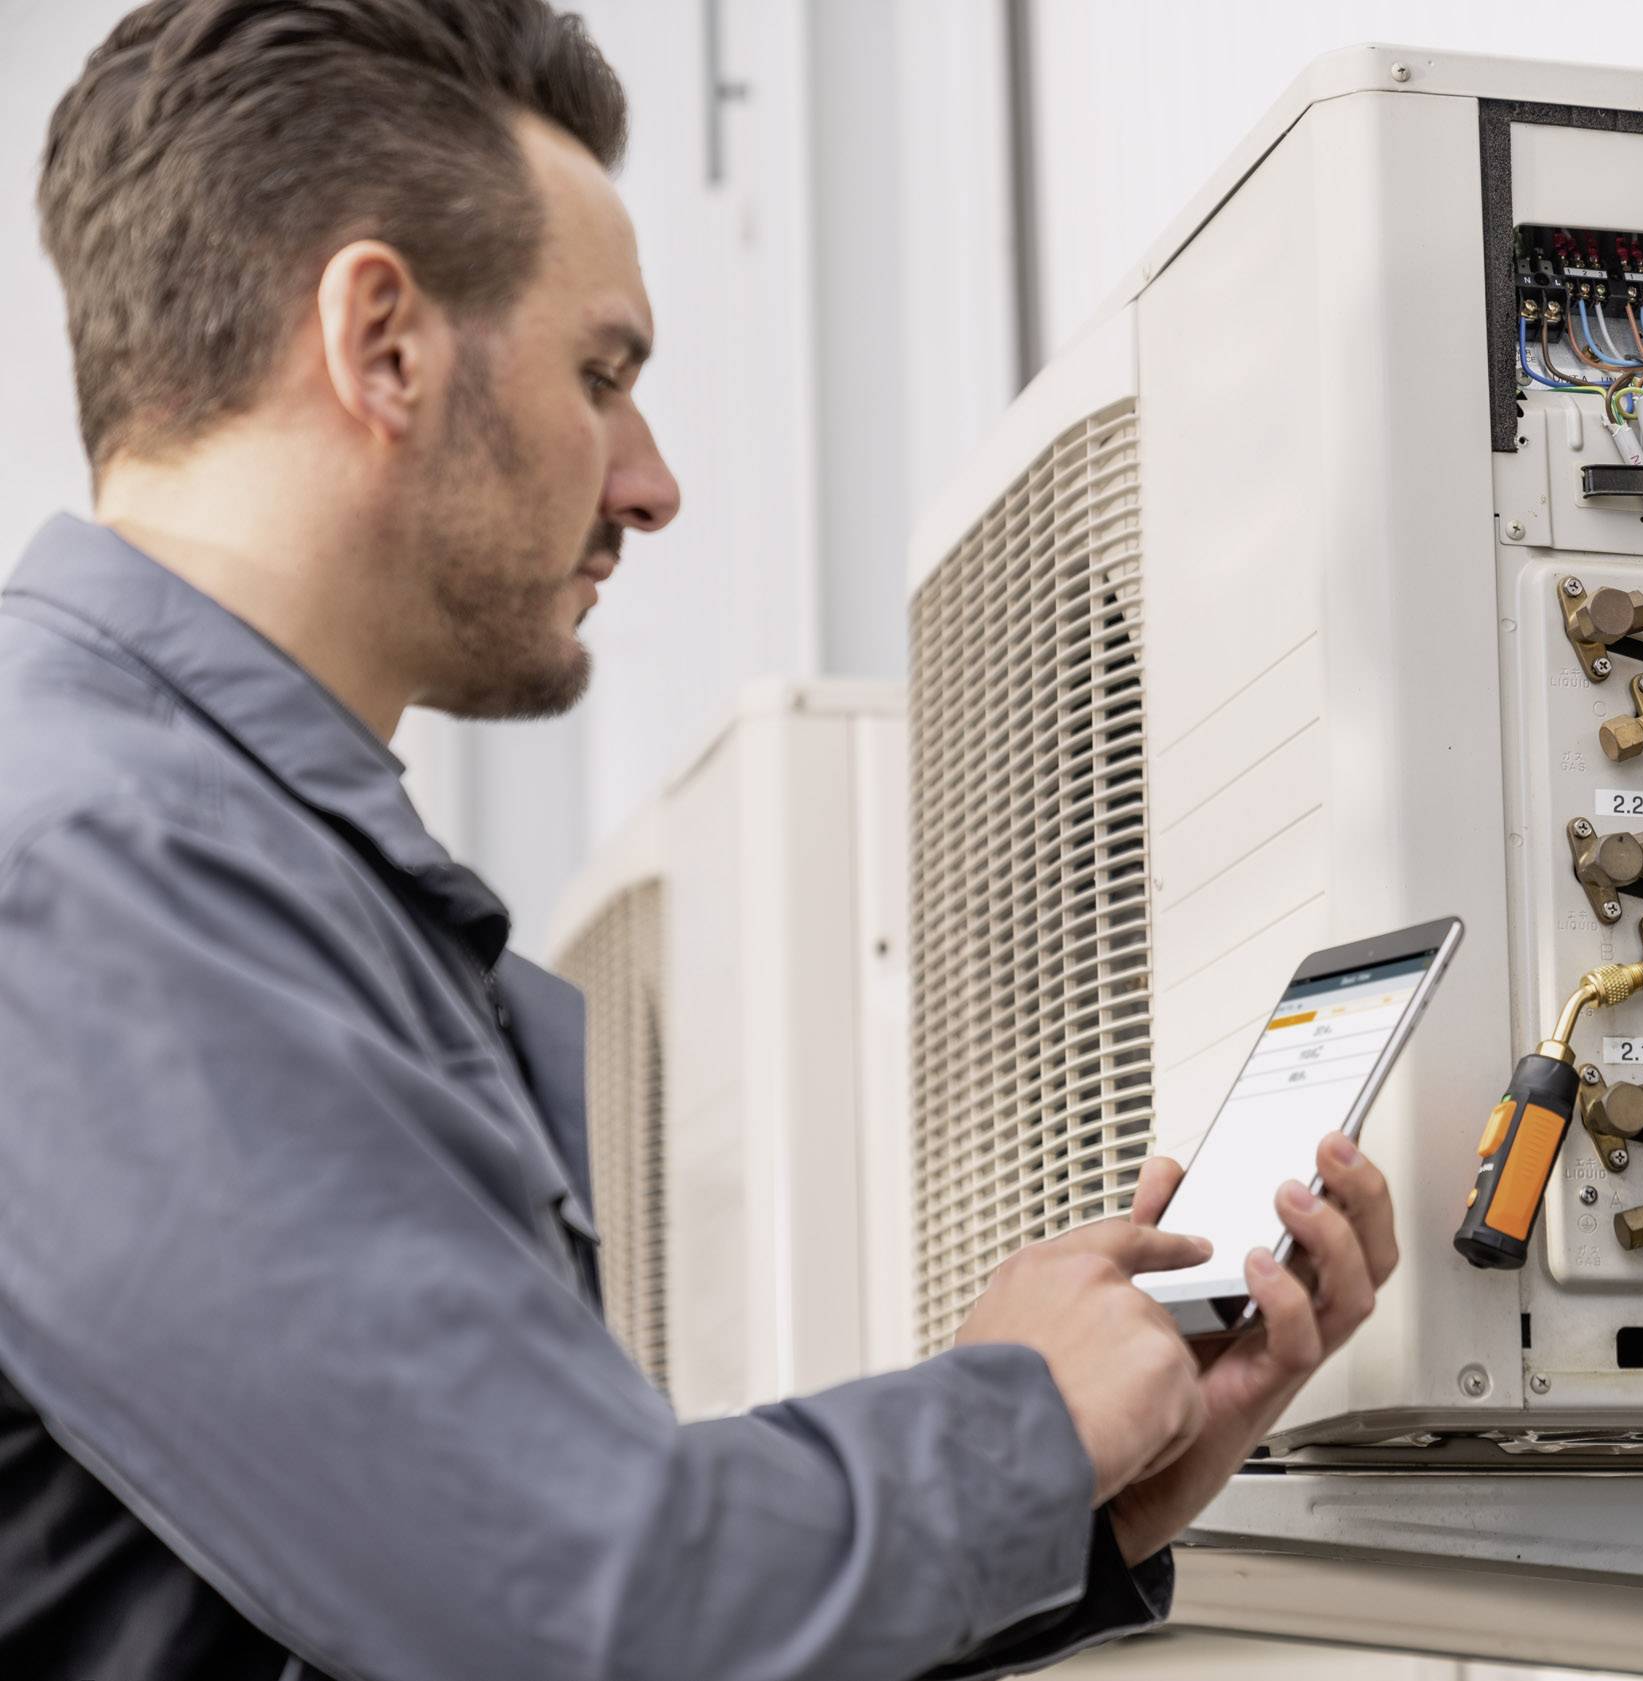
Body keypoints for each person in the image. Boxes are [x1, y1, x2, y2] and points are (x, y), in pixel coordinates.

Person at [0, 3, 1402, 1677]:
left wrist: (1079, 1501)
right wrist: (1015, 1426)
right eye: (601, 375)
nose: (652, 483)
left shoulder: (207, 856)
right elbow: (561, 1609)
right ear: (381, 340)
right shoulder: (93, 865)